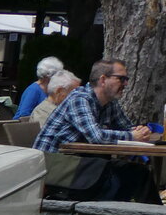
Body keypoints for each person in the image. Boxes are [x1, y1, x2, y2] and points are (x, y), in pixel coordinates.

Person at [34, 58, 157, 203]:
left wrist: (141, 132)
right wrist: (132, 135)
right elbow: (96, 137)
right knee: (111, 178)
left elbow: (127, 127)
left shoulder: (110, 103)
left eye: (127, 79)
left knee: (139, 173)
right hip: (54, 166)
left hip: (80, 162)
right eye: (121, 79)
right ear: (103, 79)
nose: (126, 84)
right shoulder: (79, 99)